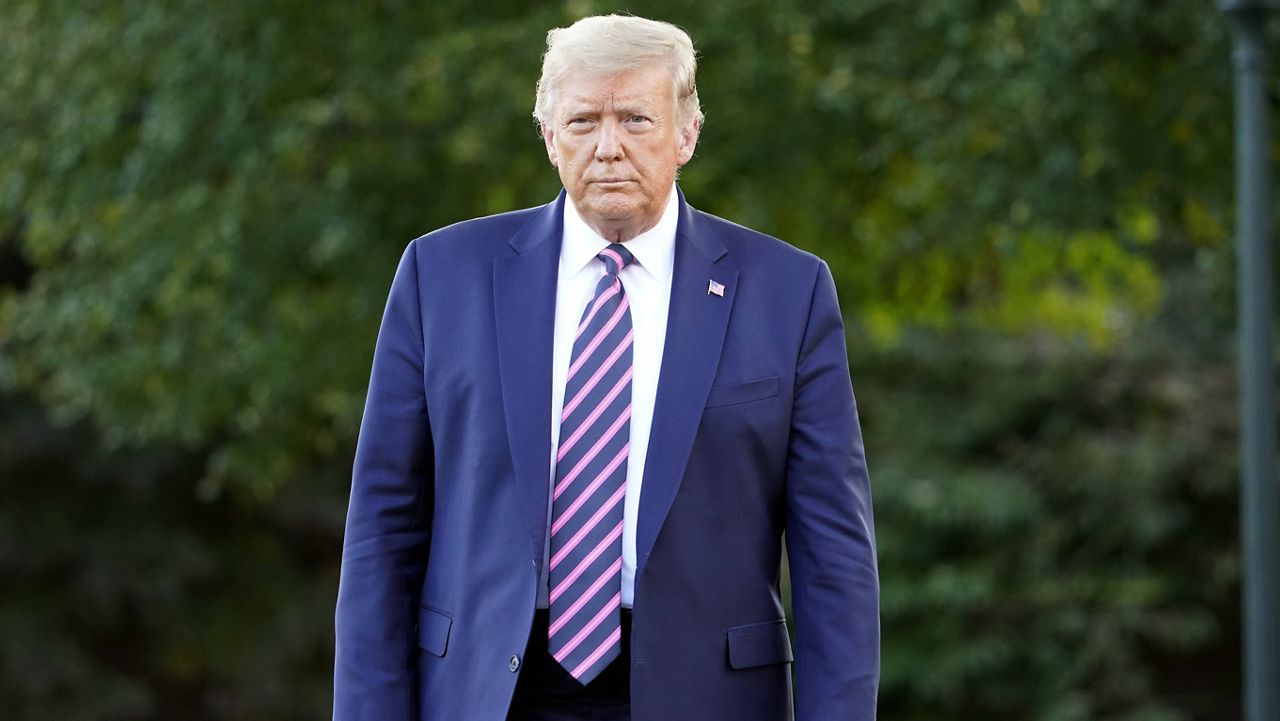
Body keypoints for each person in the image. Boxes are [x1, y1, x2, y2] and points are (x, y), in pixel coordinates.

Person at [333, 14, 878, 721]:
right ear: (549, 134)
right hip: (487, 692)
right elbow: (382, 530)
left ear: (687, 134)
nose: (609, 147)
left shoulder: (787, 292)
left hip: (707, 696)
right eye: (584, 119)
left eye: (636, 118)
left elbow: (833, 558)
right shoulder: (441, 277)